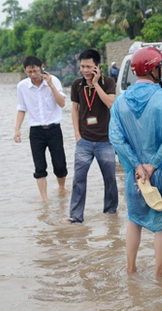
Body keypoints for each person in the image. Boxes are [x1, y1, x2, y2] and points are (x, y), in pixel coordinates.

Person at [109, 46, 162, 277]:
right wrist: (152, 164)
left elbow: (116, 138)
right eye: (160, 67)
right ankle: (159, 273)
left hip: (135, 176)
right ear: (153, 70)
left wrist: (137, 166)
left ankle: (131, 269)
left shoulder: (120, 102)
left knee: (134, 220)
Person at [66, 49, 118, 224]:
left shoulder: (108, 82)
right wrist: (76, 134)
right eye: (82, 66)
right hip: (84, 141)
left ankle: (111, 213)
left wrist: (96, 84)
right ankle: (75, 216)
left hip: (105, 141)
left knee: (110, 178)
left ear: (97, 66)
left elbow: (111, 104)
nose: (85, 70)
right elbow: (75, 109)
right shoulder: (76, 85)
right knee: (78, 179)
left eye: (89, 66)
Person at [14, 56, 68, 202]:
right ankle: (44, 200)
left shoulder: (54, 80)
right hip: (36, 131)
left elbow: (62, 103)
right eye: (29, 72)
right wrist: (17, 129)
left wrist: (50, 85)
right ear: (25, 71)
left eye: (35, 71)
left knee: (60, 163)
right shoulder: (22, 86)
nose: (33, 75)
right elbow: (22, 108)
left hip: (54, 128)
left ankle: (62, 188)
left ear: (41, 68)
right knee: (39, 166)